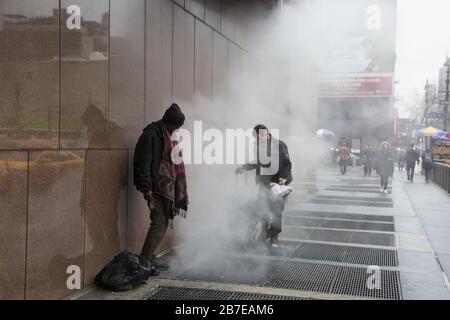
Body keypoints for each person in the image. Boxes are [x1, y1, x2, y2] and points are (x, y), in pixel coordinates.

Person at [133, 103, 189, 270]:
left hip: (163, 188)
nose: (177, 130)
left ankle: (149, 257)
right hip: (155, 188)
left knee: (162, 222)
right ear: (169, 123)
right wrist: (147, 190)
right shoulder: (151, 135)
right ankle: (144, 261)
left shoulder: (168, 136)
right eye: (176, 126)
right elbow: (142, 163)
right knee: (159, 222)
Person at [236, 124, 292, 246]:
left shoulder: (279, 145)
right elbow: (257, 163)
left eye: (257, 137)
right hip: (264, 182)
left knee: (277, 209)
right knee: (262, 207)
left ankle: (274, 235)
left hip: (278, 183)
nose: (256, 140)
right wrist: (244, 168)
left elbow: (288, 164)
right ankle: (264, 232)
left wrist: (283, 177)